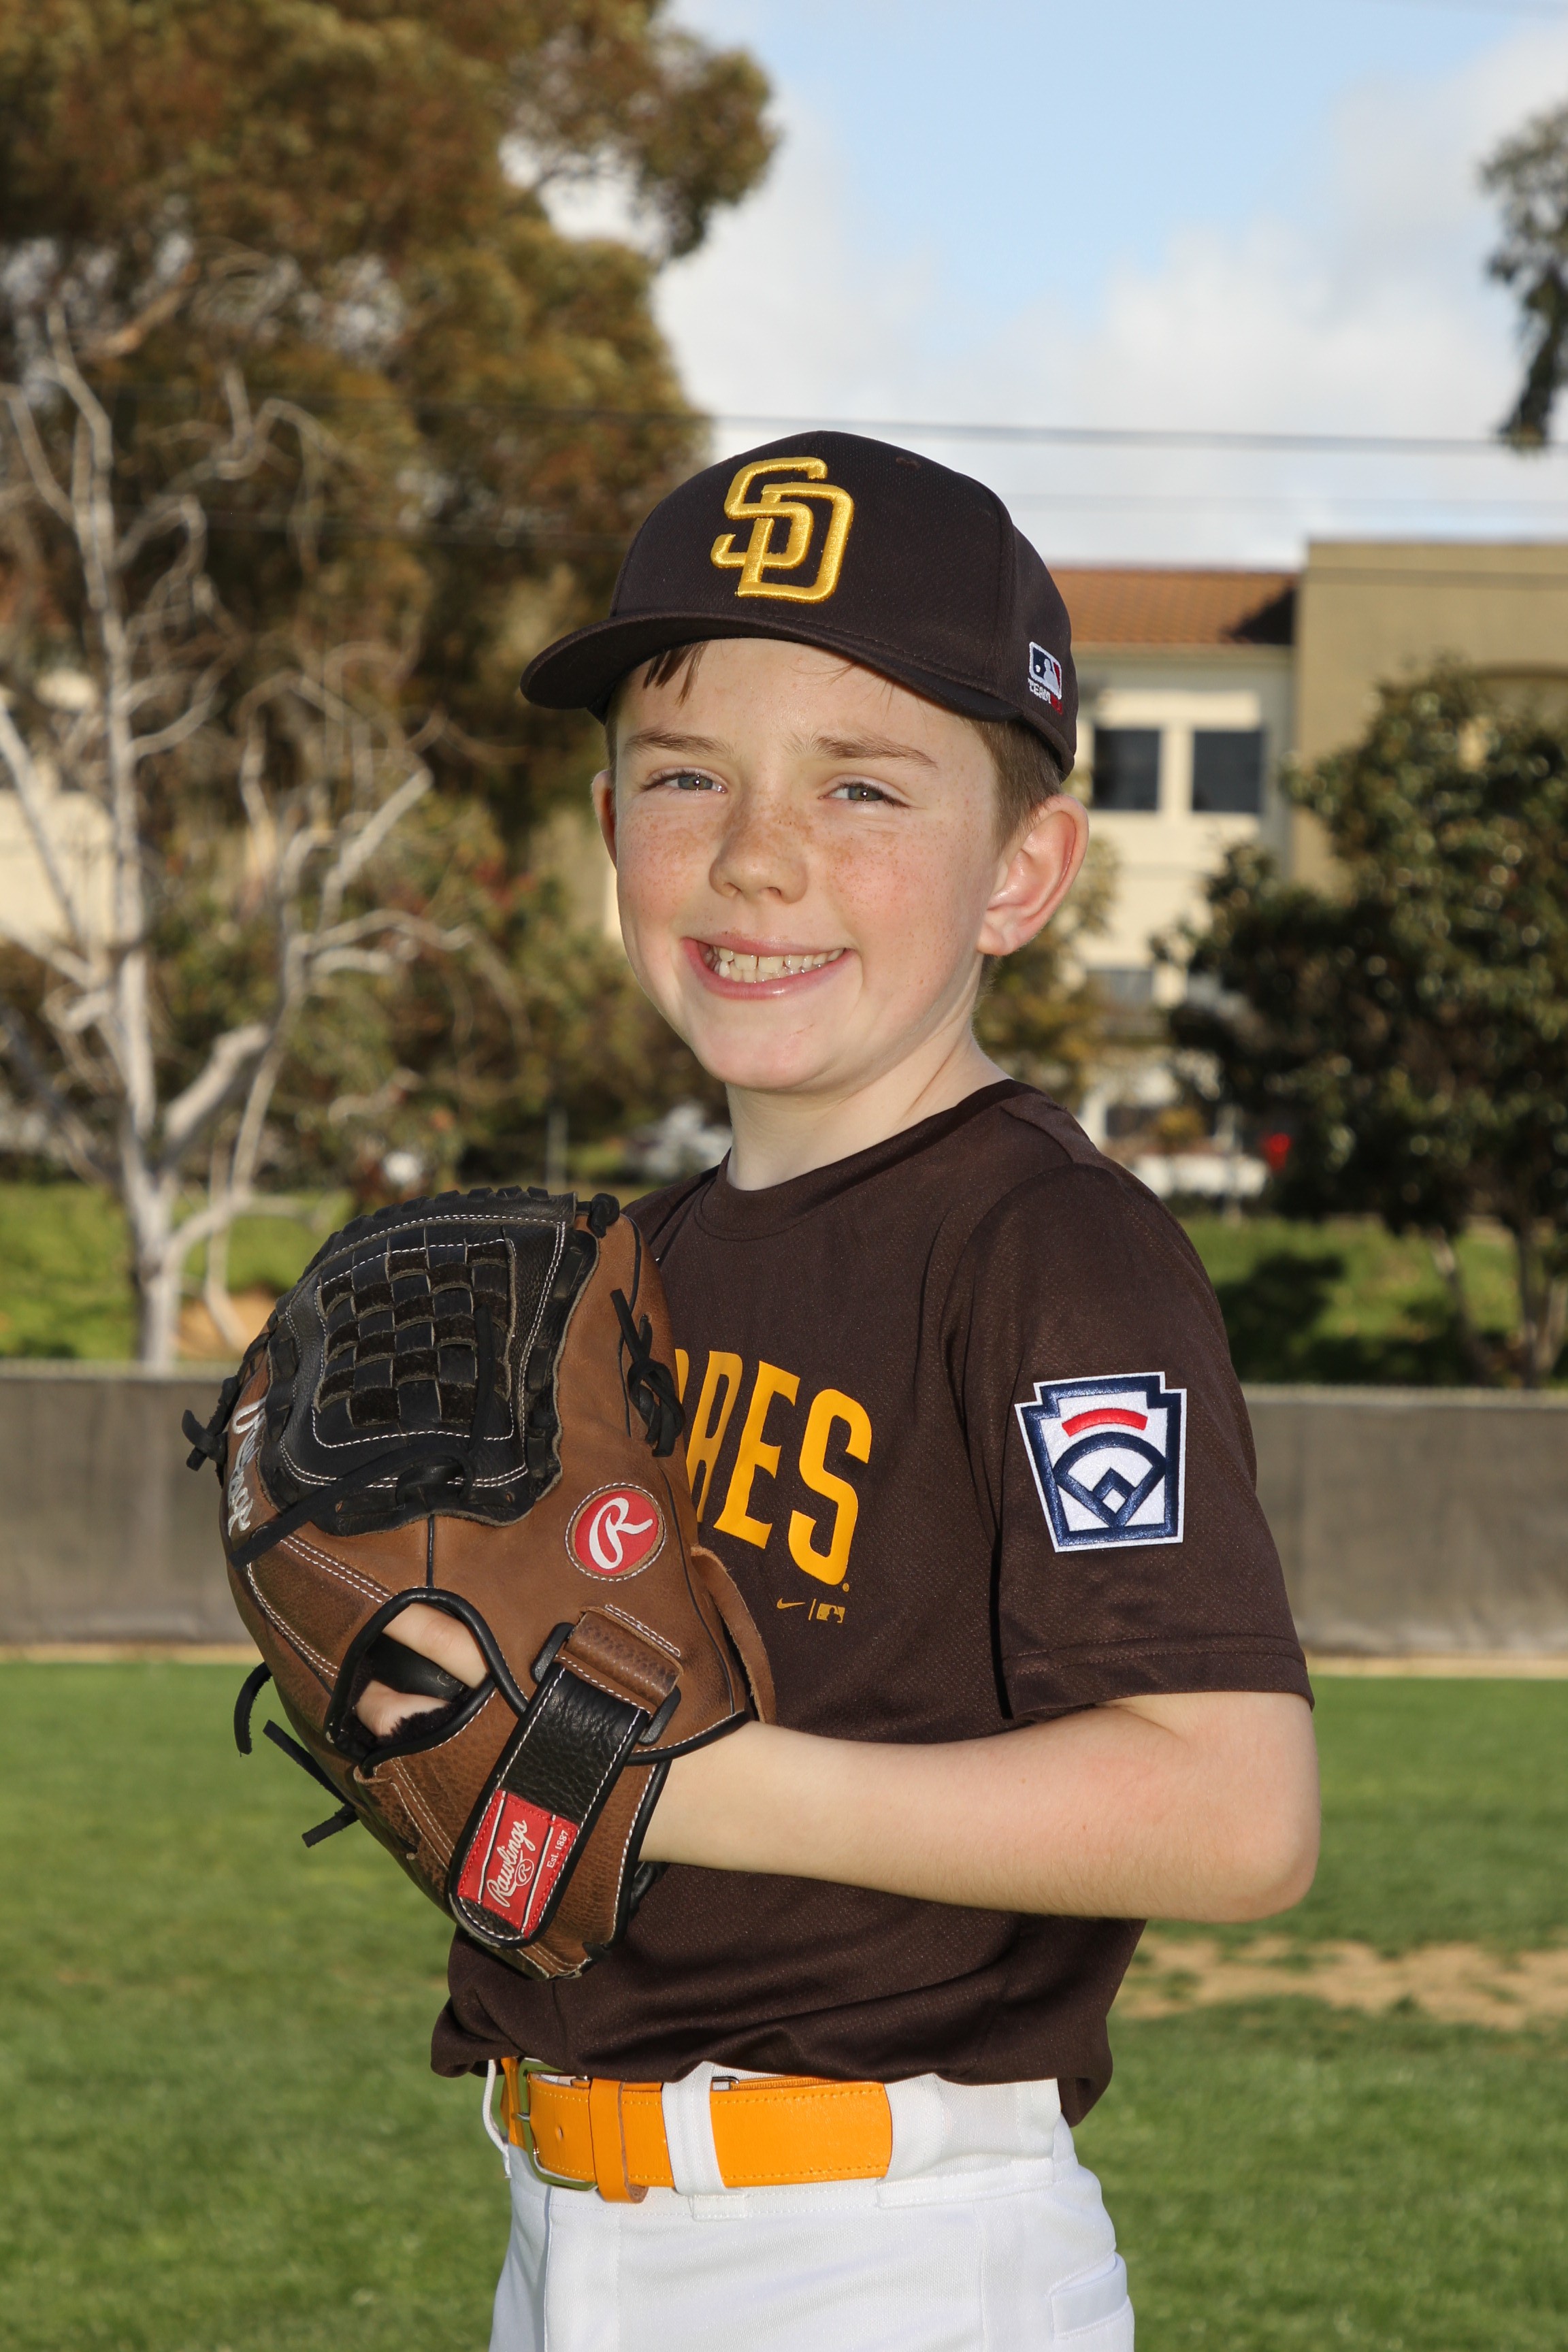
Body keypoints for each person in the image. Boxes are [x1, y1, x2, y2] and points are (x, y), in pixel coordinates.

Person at [356, 432, 1320, 2351]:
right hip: (566, 2219)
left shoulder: (1048, 1246)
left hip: (885, 2246)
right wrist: (430, 1691)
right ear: (610, 822)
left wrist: (644, 1780)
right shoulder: (616, 1274)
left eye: (861, 785)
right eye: (685, 775)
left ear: (1024, 870)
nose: (756, 854)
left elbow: (1231, 1810)